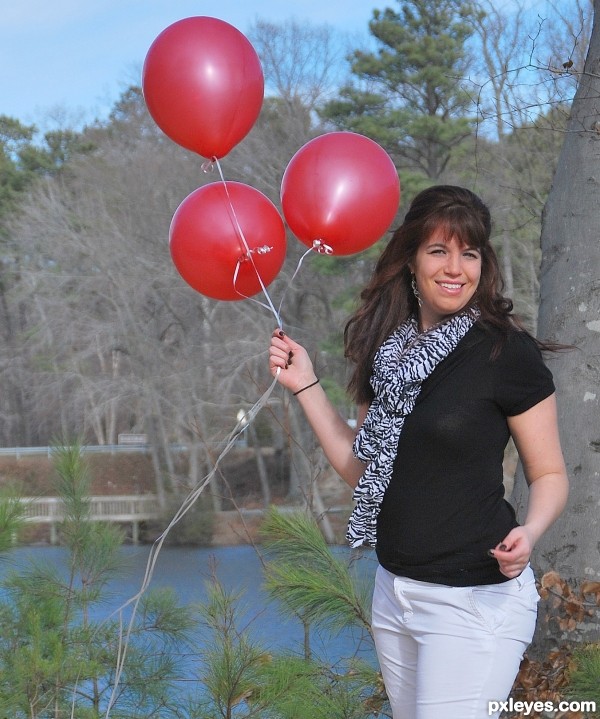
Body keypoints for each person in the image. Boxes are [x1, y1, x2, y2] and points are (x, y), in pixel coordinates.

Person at [268, 185, 569, 719]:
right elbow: (363, 469)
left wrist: (532, 531)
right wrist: (306, 384)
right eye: (439, 251)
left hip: (474, 601)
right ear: (411, 259)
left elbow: (548, 473)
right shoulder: (387, 350)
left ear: (483, 264)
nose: (456, 268)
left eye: (469, 254)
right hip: (396, 593)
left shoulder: (505, 351)